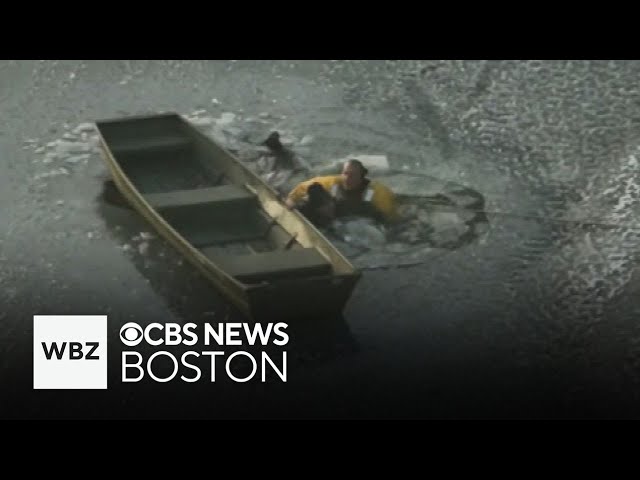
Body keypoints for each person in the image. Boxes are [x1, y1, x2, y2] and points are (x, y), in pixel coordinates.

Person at [285, 159, 399, 224]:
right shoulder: (333, 182)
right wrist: (291, 201)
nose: (348, 178)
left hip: (364, 219)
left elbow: (391, 217)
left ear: (362, 176)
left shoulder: (378, 192)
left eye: (353, 175)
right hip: (339, 217)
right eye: (345, 173)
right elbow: (302, 188)